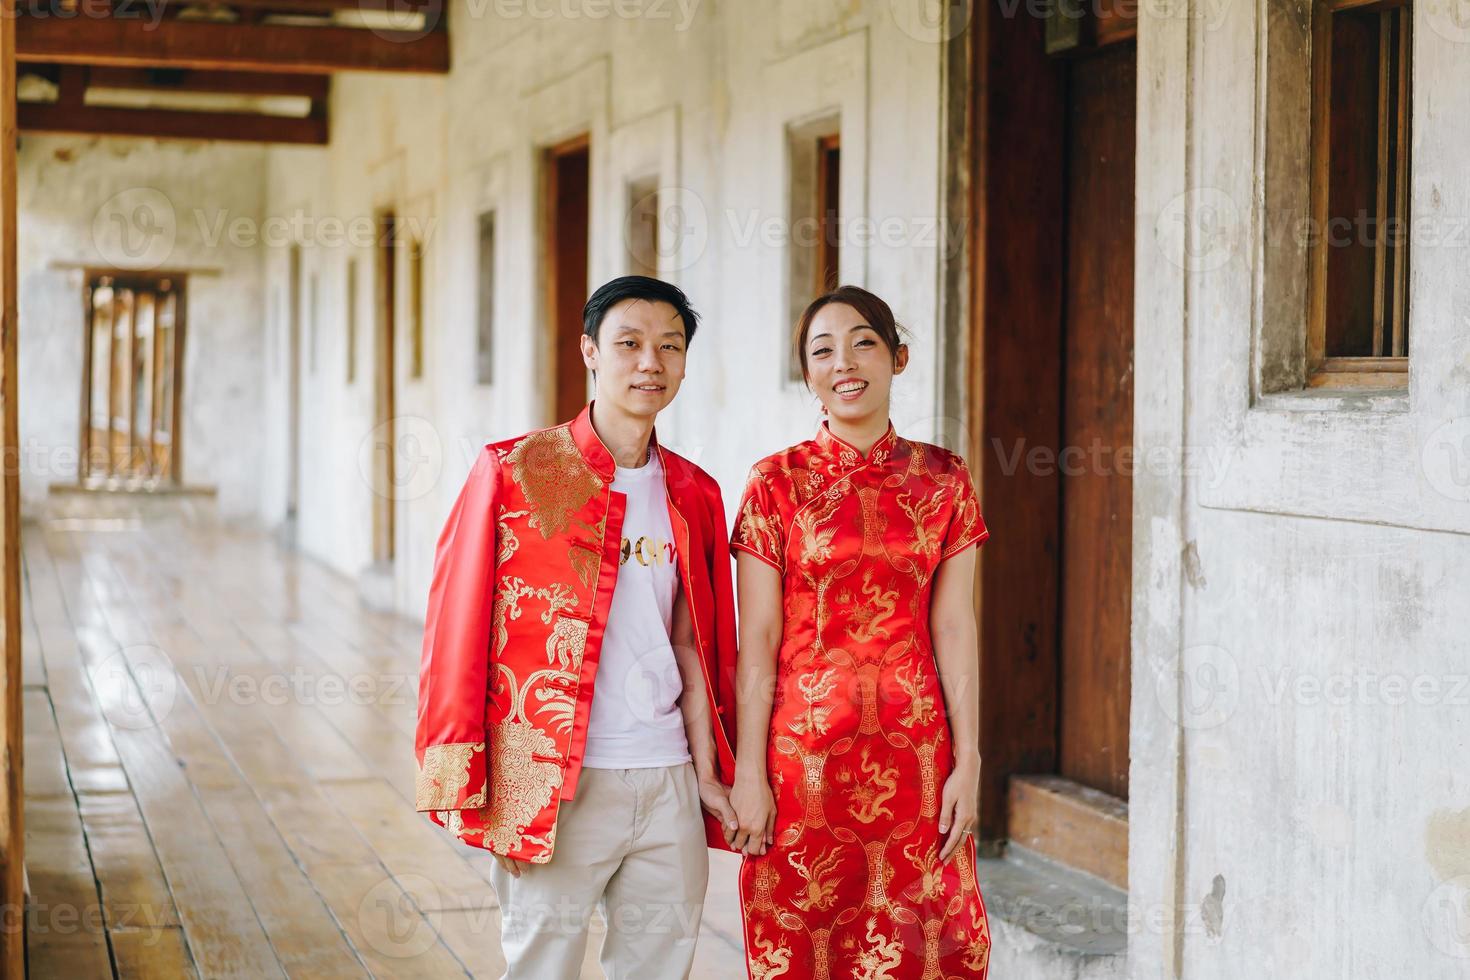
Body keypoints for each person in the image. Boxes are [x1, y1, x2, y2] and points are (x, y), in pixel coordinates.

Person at [413, 275, 740, 978]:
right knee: (541, 967)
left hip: (669, 782)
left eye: (669, 347)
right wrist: (473, 784)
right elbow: (455, 628)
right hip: (556, 782)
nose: (649, 362)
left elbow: (697, 644)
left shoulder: (695, 491)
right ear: (591, 351)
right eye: (629, 344)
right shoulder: (520, 471)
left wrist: (709, 774)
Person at [728, 285, 992, 979]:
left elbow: (955, 625)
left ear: (898, 357)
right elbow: (756, 636)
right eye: (822, 351)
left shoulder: (945, 480)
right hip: (802, 763)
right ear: (809, 375)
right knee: (805, 949)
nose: (844, 362)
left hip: (918, 761)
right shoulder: (774, 483)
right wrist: (748, 772)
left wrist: (970, 759)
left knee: (929, 946)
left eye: (863, 343)